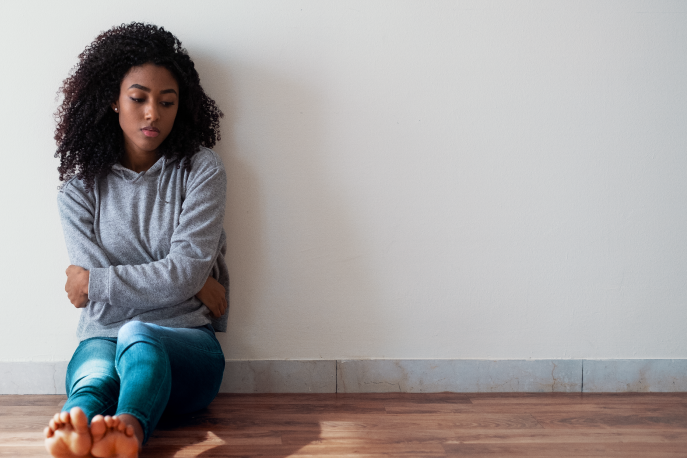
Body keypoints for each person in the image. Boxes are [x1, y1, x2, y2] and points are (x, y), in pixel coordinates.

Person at [44, 22, 229, 458]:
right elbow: (176, 275)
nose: (153, 113)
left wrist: (184, 275)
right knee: (95, 374)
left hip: (187, 346)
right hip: (102, 338)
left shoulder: (201, 171)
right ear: (112, 99)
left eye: (167, 102)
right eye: (139, 98)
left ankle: (126, 428)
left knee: (139, 334)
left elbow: (94, 285)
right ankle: (81, 425)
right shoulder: (77, 191)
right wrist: (185, 277)